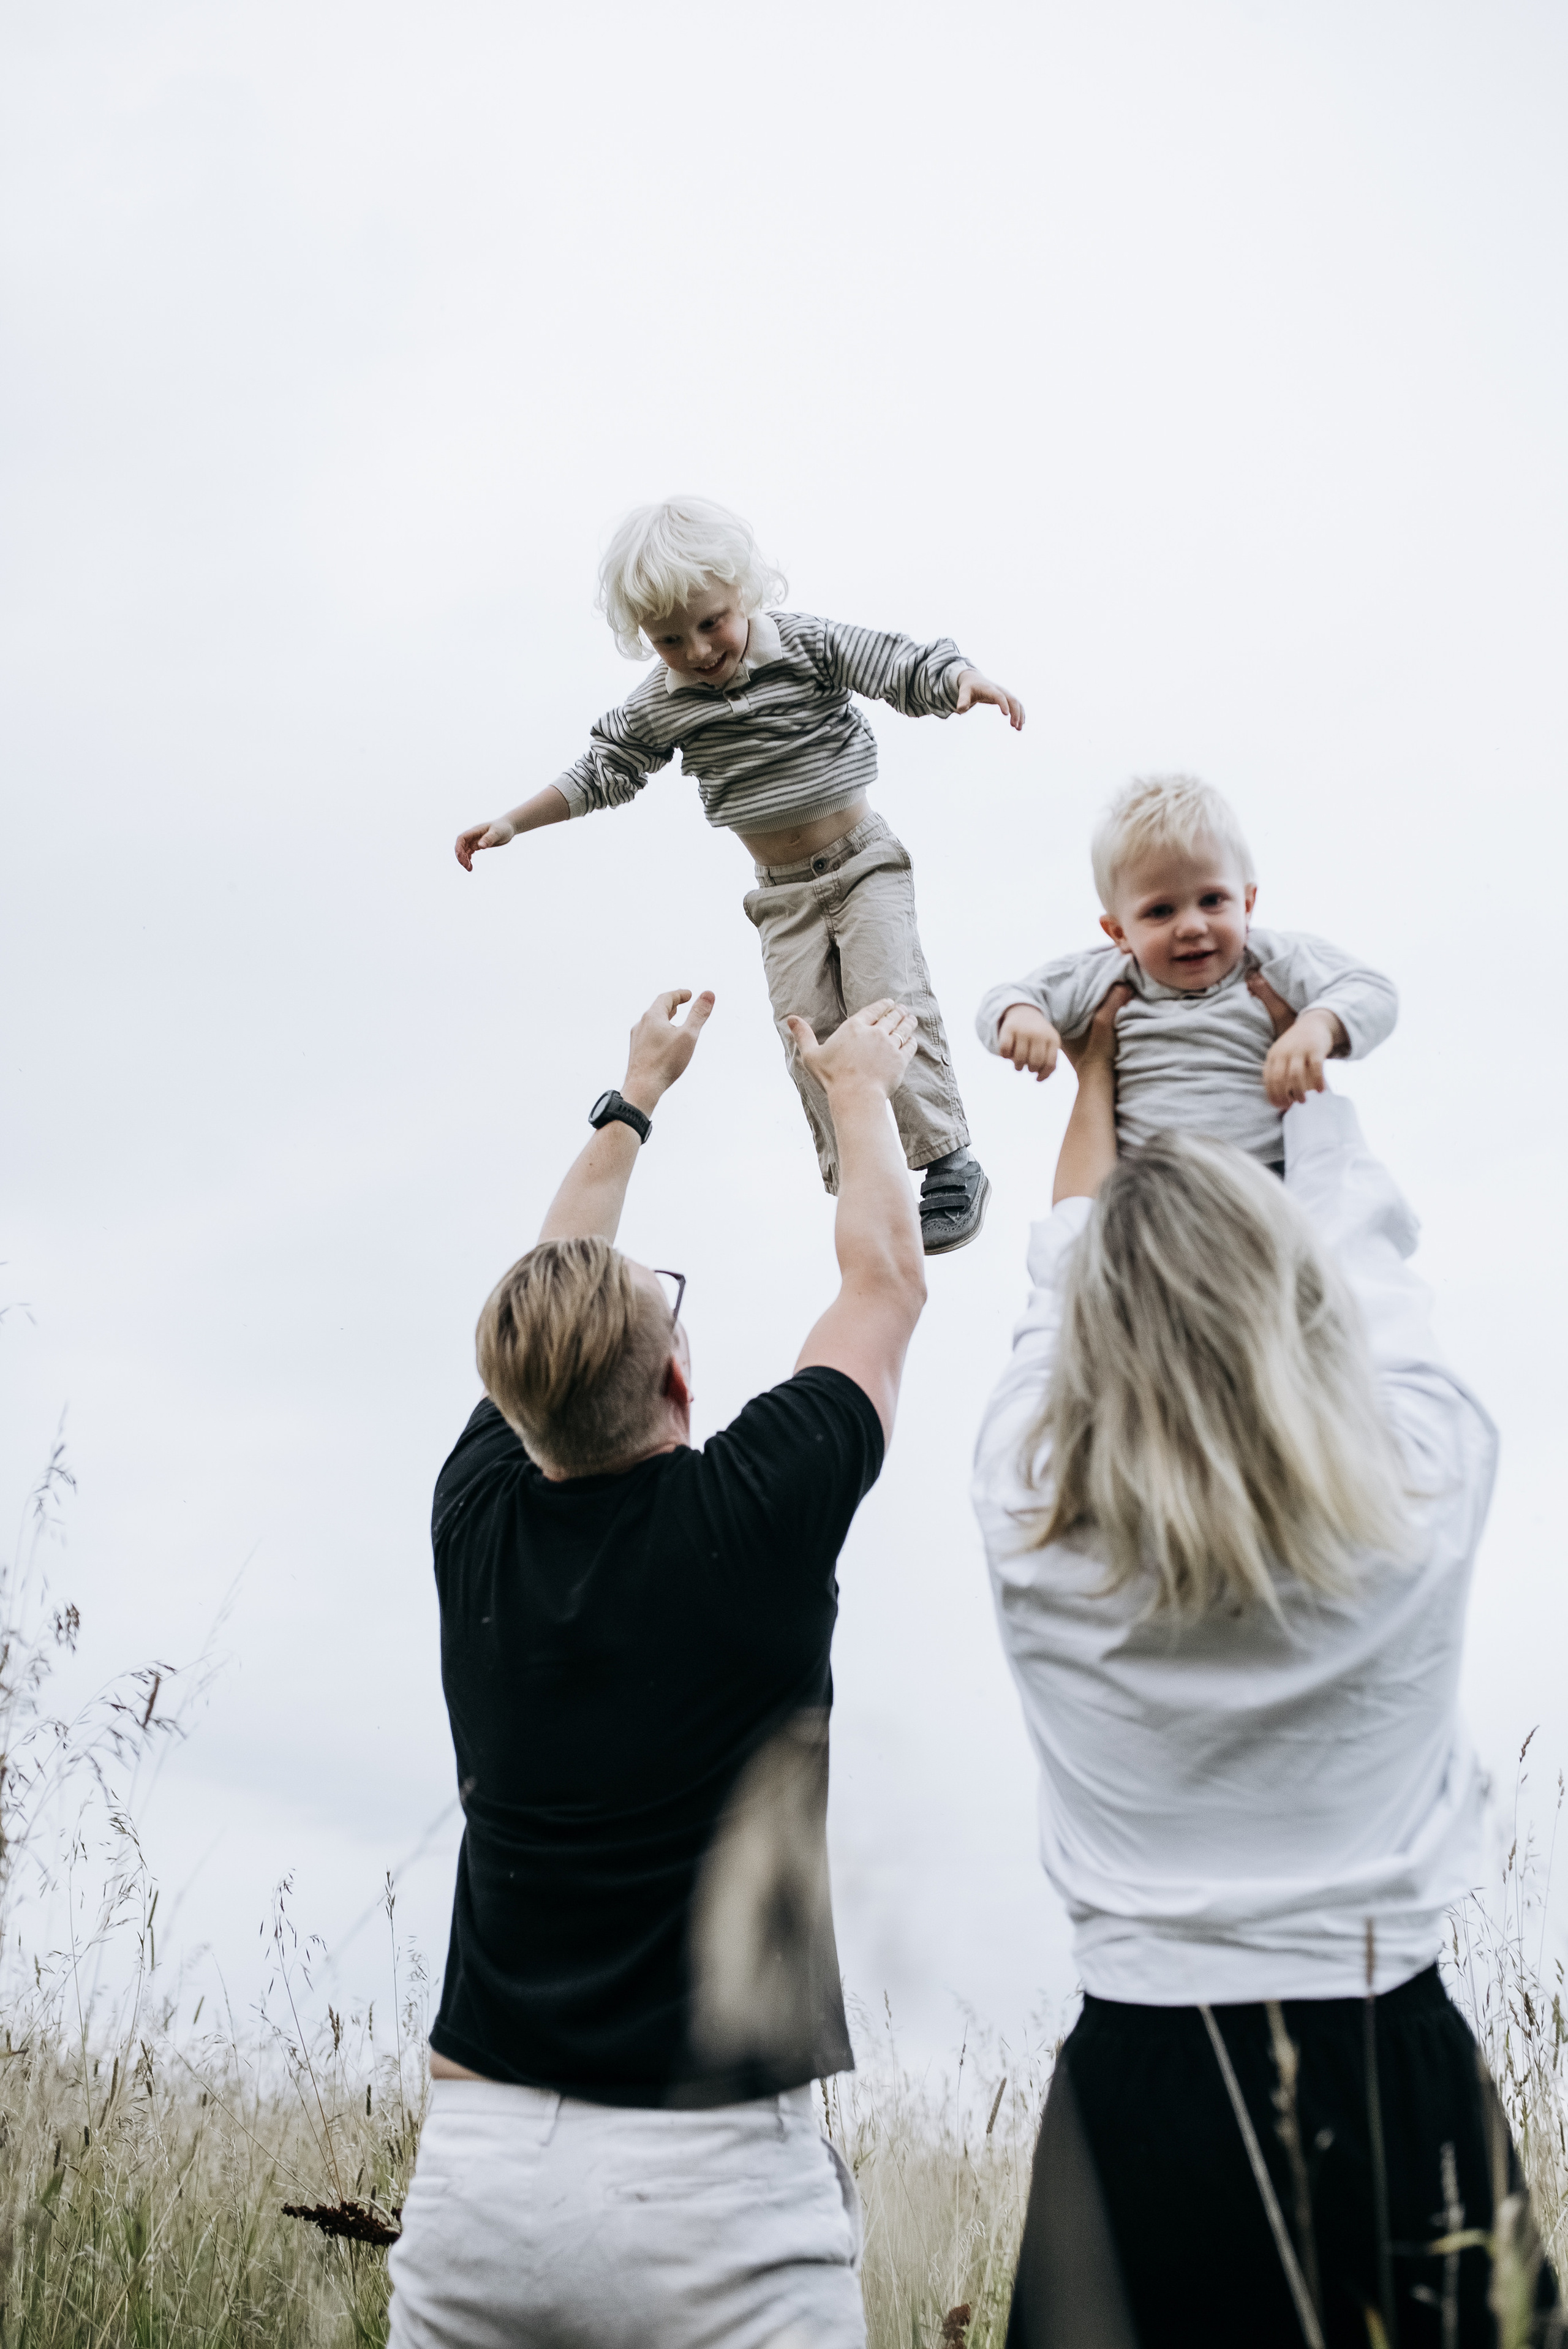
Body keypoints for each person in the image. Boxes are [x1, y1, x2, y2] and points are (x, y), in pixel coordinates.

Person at [972, 985, 1558, 2345]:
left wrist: (1093, 1087)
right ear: (1296, 1302)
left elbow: (1057, 1276)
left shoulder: (1025, 1513)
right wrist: (1309, 1070)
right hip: (1391, 2072)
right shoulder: (1421, 1480)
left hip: (1139, 2089)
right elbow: (1369, 1262)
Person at [386, 986, 927, 2349]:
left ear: (513, 1408)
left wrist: (634, 1095)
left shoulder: (476, 1520)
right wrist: (855, 1091)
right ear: (683, 1388)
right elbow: (884, 1284)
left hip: (478, 2190)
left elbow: (546, 1285)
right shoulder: (752, 1515)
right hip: (718, 2195)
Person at [454, 495, 1026, 1253]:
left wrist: (958, 679)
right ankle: (864, 1176)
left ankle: (948, 1163)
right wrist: (514, 821)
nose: (695, 650)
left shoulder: (807, 644)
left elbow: (894, 662)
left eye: (710, 622)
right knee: (809, 1034)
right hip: (782, 895)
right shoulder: (663, 705)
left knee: (885, 999)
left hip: (862, 865)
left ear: (745, 593)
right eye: (668, 639)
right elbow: (606, 768)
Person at [975, 773, 1396, 1168]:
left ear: (1247, 904)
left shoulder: (1270, 958)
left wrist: (1320, 1025)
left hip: (1272, 1174)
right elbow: (1008, 996)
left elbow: (1372, 990)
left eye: (1213, 900)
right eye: (1160, 911)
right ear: (1119, 932)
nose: (1193, 926)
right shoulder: (1107, 975)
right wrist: (1022, 1018)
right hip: (1157, 1188)